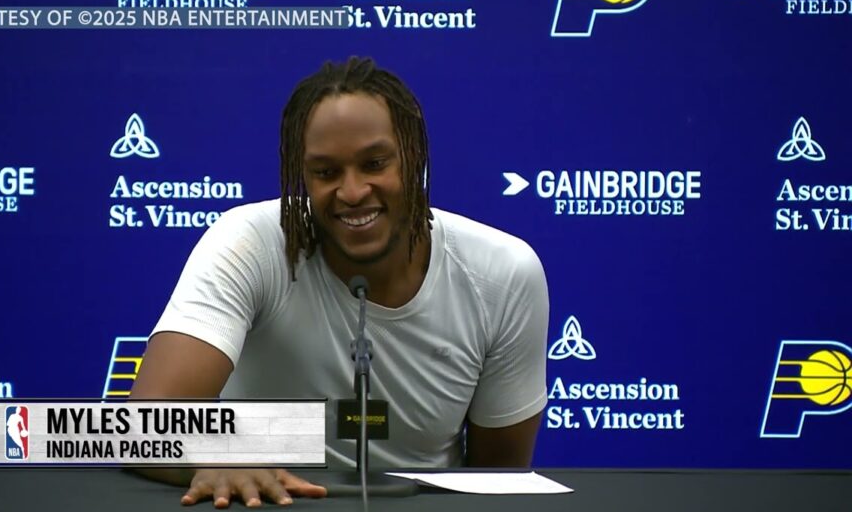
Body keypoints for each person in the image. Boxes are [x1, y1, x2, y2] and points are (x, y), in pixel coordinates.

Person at [130, 56, 549, 508]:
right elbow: (138, 427)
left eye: (374, 164)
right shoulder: (249, 243)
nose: (352, 192)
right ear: (302, 176)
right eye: (326, 173)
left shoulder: (502, 275)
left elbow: (497, 481)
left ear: (414, 158)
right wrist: (215, 456)